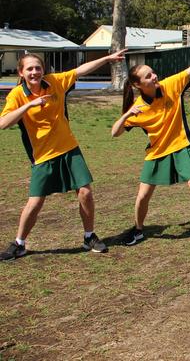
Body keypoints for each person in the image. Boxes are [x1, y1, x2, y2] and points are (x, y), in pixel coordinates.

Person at [111, 35, 190, 254]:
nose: (154, 76)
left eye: (153, 72)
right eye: (148, 76)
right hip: (157, 152)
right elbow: (115, 133)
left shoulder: (170, 85)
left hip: (182, 146)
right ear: (138, 84)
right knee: (143, 196)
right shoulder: (137, 109)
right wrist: (127, 114)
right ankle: (138, 229)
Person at [0, 50, 126, 260]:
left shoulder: (54, 82)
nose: (35, 72)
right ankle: (19, 243)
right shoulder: (17, 95)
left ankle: (89, 237)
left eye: (38, 68)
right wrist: (29, 105)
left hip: (68, 148)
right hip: (43, 155)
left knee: (85, 192)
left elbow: (78, 71)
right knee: (35, 202)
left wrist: (106, 59)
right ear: (21, 72)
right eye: (29, 69)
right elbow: (3, 123)